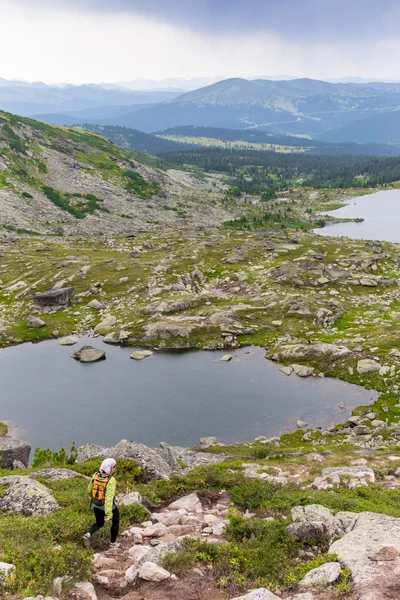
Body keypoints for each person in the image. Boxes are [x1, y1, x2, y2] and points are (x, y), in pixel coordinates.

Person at [82, 458, 120, 548]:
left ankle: (87, 535)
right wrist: (108, 515)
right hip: (107, 507)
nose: (114, 469)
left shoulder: (95, 475)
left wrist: (96, 498)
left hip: (96, 505)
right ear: (110, 468)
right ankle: (113, 544)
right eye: (114, 467)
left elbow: (89, 491)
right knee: (116, 521)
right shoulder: (111, 480)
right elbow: (108, 499)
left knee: (99, 523)